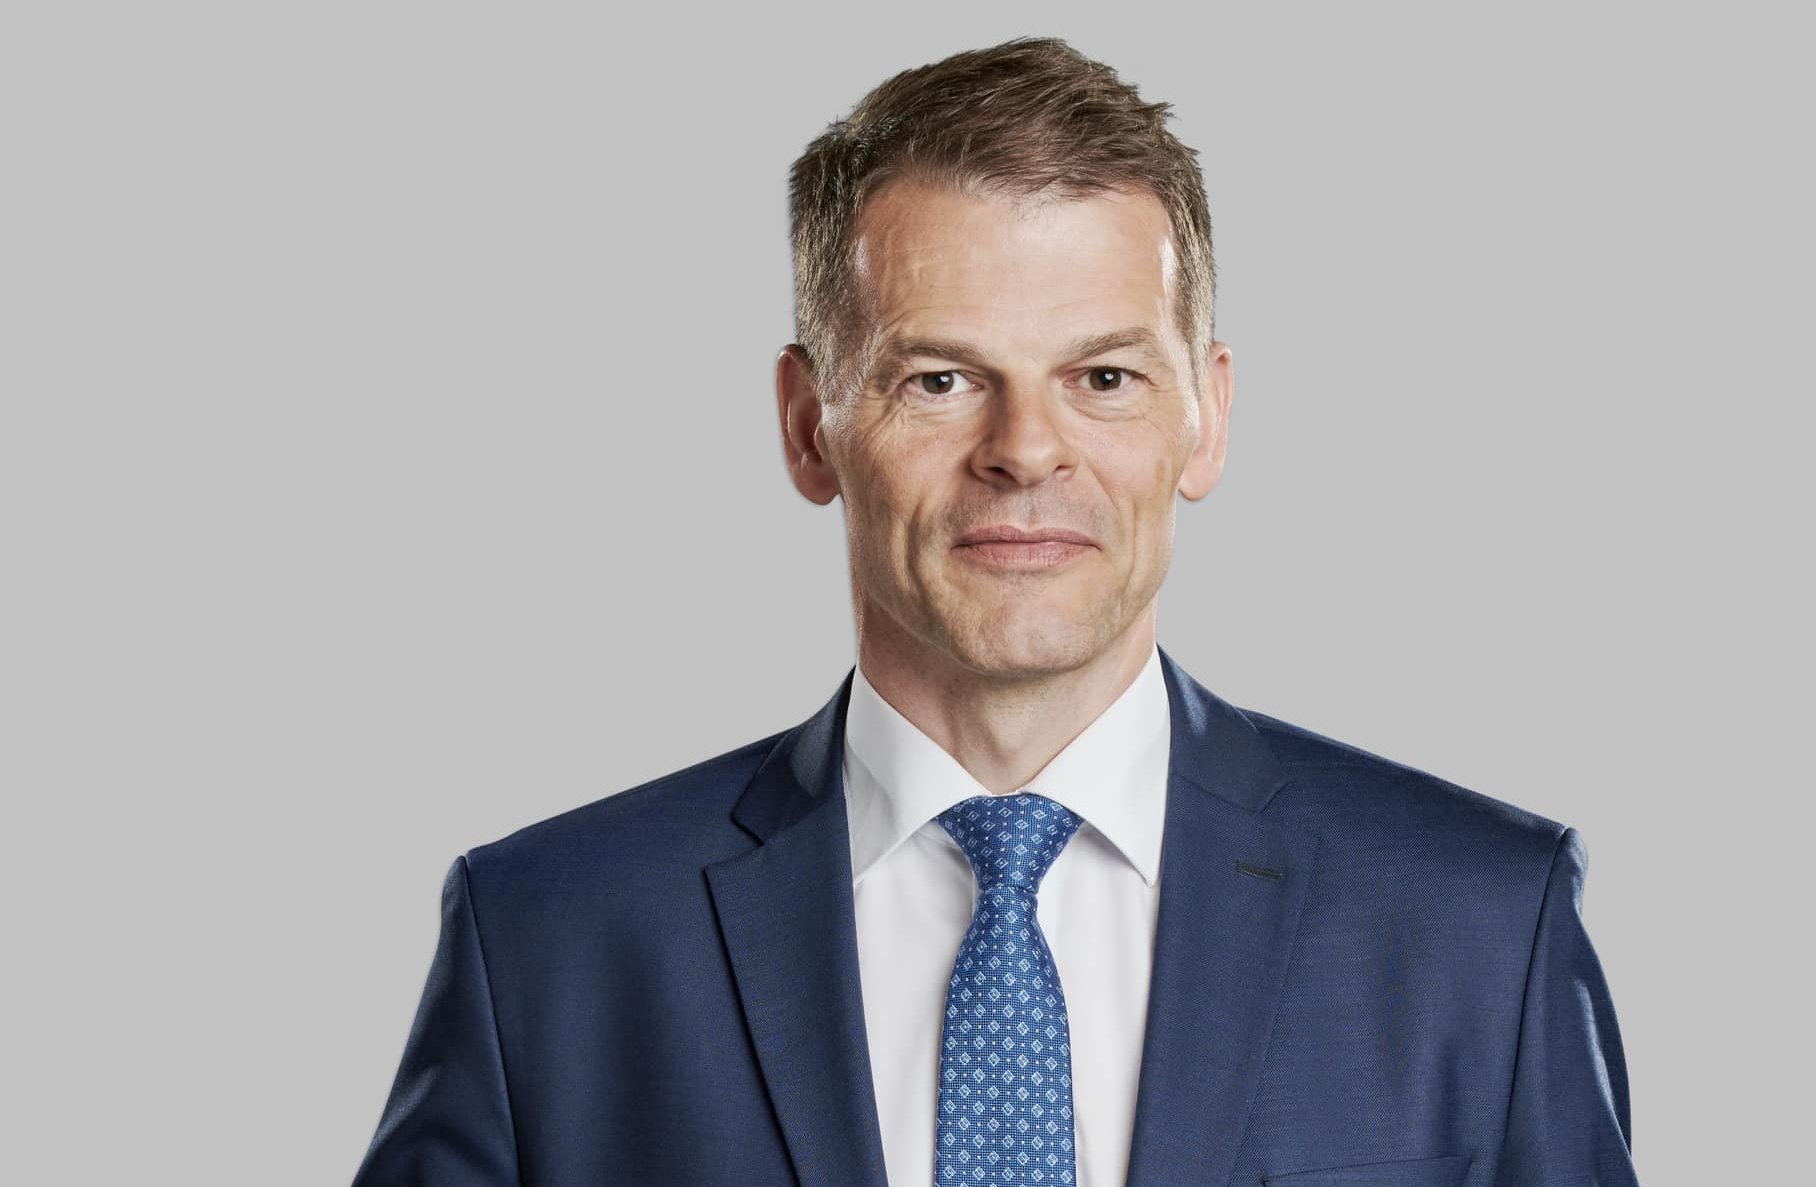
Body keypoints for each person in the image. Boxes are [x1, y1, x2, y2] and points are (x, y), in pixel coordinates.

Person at [349, 36, 1639, 1187]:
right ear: (809, 426)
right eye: (941, 378)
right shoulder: (549, 941)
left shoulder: (1481, 923)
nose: (1025, 449)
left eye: (1104, 376)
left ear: (1207, 419)